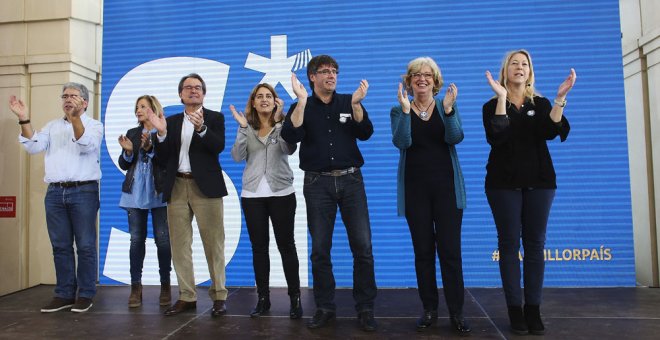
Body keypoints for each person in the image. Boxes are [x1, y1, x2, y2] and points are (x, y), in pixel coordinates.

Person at [483, 49, 576, 335]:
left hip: (540, 182)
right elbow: (497, 136)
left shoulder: (542, 102)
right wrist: (501, 99)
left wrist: (560, 97)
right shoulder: (491, 105)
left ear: (530, 71)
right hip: (503, 184)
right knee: (509, 245)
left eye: (524, 64)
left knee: (535, 246)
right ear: (506, 71)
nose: (519, 68)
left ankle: (532, 310)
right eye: (514, 64)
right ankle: (515, 311)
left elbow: (553, 130)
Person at [281, 56, 377, 332]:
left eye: (334, 71)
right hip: (317, 184)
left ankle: (365, 307)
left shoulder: (349, 101)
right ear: (312, 77)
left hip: (351, 182)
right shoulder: (302, 105)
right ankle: (325, 307)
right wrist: (300, 101)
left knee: (363, 247)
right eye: (325, 71)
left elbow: (366, 132)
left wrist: (357, 106)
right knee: (320, 250)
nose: (331, 75)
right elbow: (290, 135)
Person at [390, 57, 471, 335]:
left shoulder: (446, 105)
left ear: (435, 81)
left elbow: (455, 137)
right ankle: (429, 309)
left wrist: (448, 111)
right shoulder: (398, 109)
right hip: (416, 193)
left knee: (450, 254)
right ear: (409, 81)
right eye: (416, 75)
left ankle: (457, 313)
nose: (421, 79)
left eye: (427, 75)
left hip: (447, 192)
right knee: (423, 254)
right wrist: (404, 111)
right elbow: (402, 142)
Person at [10, 83, 102, 313]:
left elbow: (85, 145)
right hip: (54, 192)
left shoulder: (94, 125)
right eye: (65, 96)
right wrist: (24, 119)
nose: (68, 99)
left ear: (85, 102)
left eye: (74, 96)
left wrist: (75, 118)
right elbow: (33, 146)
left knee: (85, 245)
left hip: (83, 191)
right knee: (60, 245)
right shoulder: (52, 126)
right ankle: (64, 293)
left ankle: (86, 293)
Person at [149, 73, 229, 317]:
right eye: (188, 88)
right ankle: (187, 296)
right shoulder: (170, 121)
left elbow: (218, 147)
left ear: (204, 94)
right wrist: (161, 135)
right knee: (180, 245)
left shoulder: (215, 118)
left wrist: (201, 128)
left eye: (197, 88)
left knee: (213, 244)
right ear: (180, 94)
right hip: (177, 186)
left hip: (205, 187)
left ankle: (218, 295)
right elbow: (162, 158)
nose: (193, 91)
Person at [230, 83, 302, 319]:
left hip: (281, 193)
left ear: (275, 101)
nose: (264, 100)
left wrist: (281, 121)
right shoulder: (246, 127)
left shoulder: (283, 124)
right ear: (253, 102)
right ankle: (263, 299)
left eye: (268, 96)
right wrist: (242, 129)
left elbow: (288, 148)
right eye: (259, 96)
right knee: (259, 248)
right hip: (252, 196)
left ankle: (295, 299)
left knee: (286, 246)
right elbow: (237, 156)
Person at [117, 95, 171, 308]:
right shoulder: (132, 133)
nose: (138, 110)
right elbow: (124, 164)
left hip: (158, 192)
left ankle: (165, 285)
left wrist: (150, 148)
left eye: (143, 107)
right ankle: (136, 287)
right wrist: (129, 152)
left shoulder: (163, 131)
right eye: (137, 107)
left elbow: (166, 161)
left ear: (153, 109)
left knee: (163, 240)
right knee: (136, 240)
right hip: (134, 192)